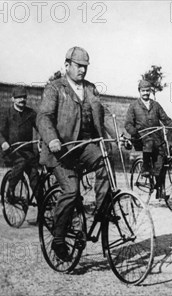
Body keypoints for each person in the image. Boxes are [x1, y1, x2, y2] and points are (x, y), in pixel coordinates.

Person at [37, 46, 116, 261]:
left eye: (85, 67)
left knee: (104, 160)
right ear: (67, 65)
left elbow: (104, 113)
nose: (82, 70)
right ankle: (59, 238)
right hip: (60, 152)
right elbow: (43, 116)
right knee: (71, 191)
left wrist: (121, 134)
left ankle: (102, 210)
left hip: (82, 147)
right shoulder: (55, 88)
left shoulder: (90, 88)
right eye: (78, 66)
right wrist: (52, 138)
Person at [125, 80, 172, 197]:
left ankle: (159, 189)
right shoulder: (133, 106)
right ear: (139, 91)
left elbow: (166, 119)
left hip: (156, 138)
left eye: (147, 91)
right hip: (141, 138)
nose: (145, 93)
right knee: (148, 144)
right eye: (143, 91)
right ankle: (145, 168)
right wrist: (134, 132)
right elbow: (128, 124)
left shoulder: (156, 105)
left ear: (150, 91)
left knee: (162, 158)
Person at [0, 86, 39, 203]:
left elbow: (41, 127)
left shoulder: (31, 113)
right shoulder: (7, 114)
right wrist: (4, 142)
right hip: (12, 152)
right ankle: (10, 190)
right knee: (21, 162)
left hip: (28, 151)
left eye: (24, 97)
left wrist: (44, 139)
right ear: (12, 99)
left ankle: (42, 210)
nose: (22, 100)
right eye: (18, 97)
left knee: (36, 177)